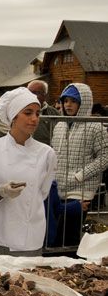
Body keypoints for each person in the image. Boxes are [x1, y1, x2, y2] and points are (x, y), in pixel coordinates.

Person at [0, 87, 56, 256]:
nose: (34, 118)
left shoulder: (46, 153)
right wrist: (0, 191)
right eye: (28, 113)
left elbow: (41, 193)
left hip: (30, 236)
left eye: (37, 113)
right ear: (13, 117)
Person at [51, 83, 108, 245]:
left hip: (80, 190)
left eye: (73, 101)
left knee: (69, 236)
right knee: (57, 235)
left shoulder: (96, 127)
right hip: (60, 186)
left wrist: (80, 176)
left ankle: (70, 267)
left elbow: (105, 157)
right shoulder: (60, 125)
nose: (68, 105)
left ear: (84, 103)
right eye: (66, 100)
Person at [27, 80, 60, 145]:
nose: (32, 96)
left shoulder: (54, 113)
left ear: (45, 95)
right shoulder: (20, 112)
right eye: (29, 93)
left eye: (36, 93)